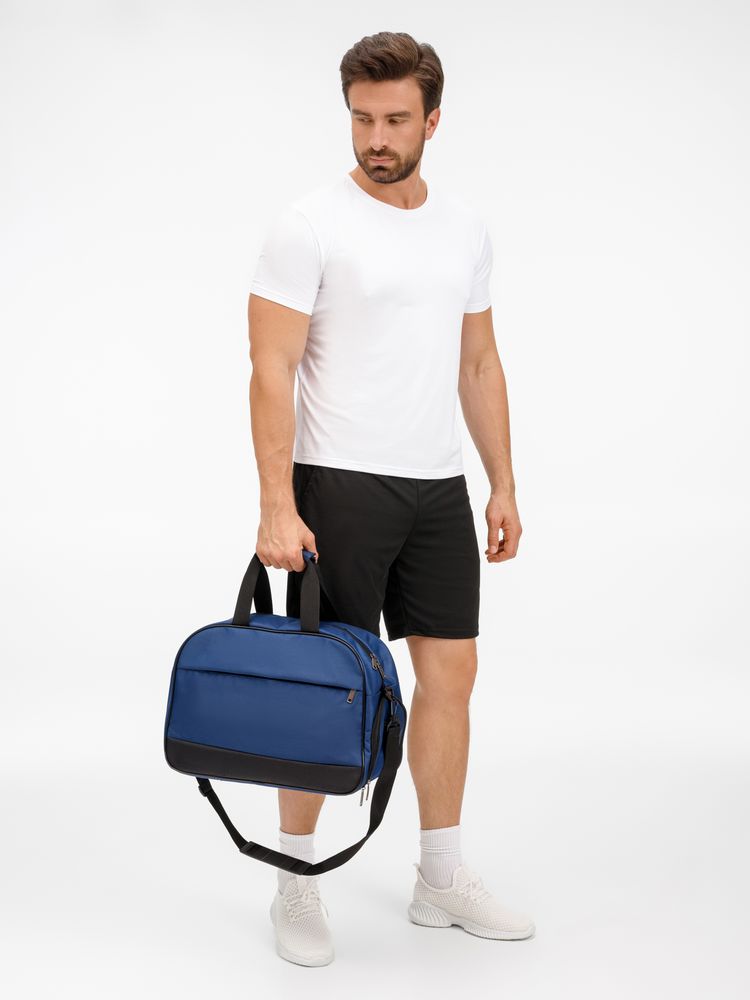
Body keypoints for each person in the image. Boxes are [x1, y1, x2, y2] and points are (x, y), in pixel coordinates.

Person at [248, 31, 535, 967]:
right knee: (326, 687)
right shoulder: (308, 224)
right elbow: (270, 368)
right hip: (339, 484)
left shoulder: (464, 229)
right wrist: (277, 504)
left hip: (438, 487)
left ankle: (439, 876)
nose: (376, 137)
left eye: (396, 120)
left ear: (433, 121)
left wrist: (502, 481)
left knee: (452, 677)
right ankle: (296, 878)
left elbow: (479, 362)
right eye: (362, 118)